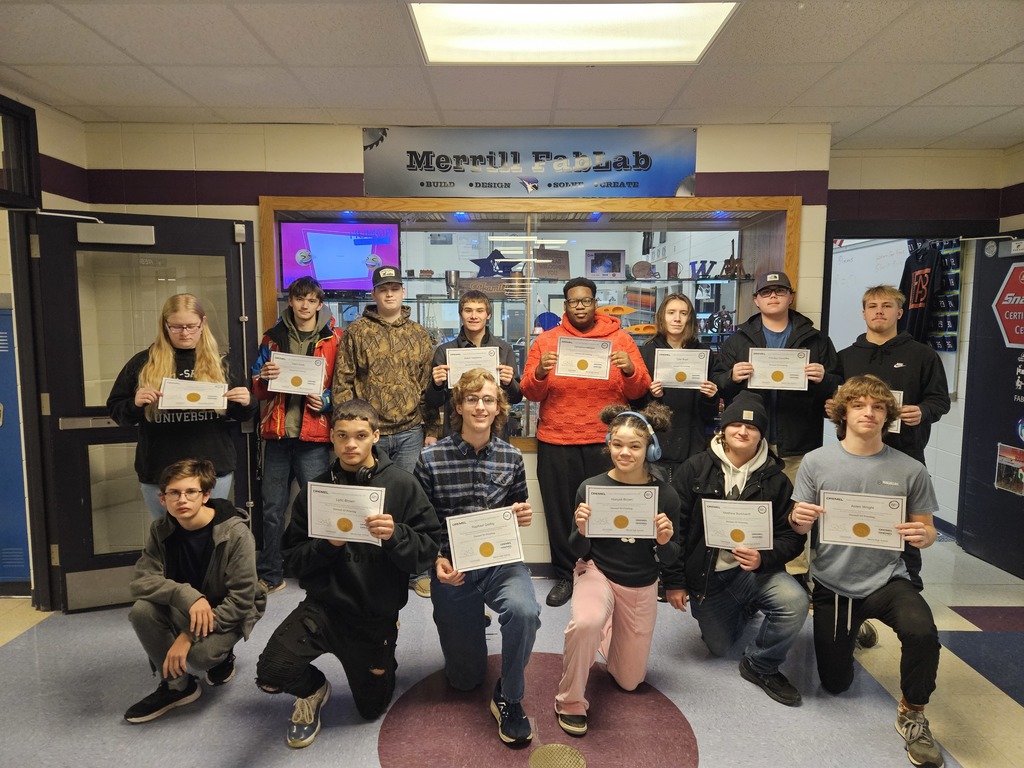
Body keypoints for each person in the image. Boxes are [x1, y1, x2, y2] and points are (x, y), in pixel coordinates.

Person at [255, 399, 441, 749]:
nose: (350, 444)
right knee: (270, 673)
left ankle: (383, 655)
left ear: (376, 436)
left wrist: (395, 535)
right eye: (342, 436)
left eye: (359, 435)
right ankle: (313, 690)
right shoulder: (317, 490)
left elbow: (428, 550)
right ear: (332, 438)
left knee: (370, 709)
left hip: (374, 616)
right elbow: (292, 561)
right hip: (324, 608)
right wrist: (328, 544)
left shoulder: (402, 485)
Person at [790, 375, 944, 768]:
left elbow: (926, 528)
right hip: (833, 581)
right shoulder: (816, 461)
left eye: (877, 407)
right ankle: (855, 626)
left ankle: (914, 714)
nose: (869, 413)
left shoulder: (910, 469)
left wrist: (924, 535)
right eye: (859, 405)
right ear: (844, 412)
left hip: (888, 578)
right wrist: (799, 519)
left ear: (887, 416)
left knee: (922, 632)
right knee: (836, 685)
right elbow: (797, 524)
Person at [415, 368, 540, 748]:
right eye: (472, 399)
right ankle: (470, 627)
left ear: (499, 406)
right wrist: (435, 561)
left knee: (524, 611)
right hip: (453, 566)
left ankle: (510, 697)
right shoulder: (430, 459)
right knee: (464, 679)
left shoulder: (511, 457)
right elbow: (423, 524)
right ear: (459, 406)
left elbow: (519, 505)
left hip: (501, 564)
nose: (480, 406)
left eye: (488, 399)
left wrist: (522, 514)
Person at [663, 392, 808, 707]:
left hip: (755, 572)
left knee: (795, 601)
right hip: (708, 577)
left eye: (752, 428)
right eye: (736, 424)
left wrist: (763, 558)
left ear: (761, 435)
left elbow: (792, 538)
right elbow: (676, 530)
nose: (743, 431)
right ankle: (743, 608)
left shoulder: (777, 481)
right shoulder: (695, 469)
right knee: (719, 647)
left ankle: (760, 664)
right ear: (723, 429)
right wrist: (673, 582)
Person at [521, 277, 651, 607]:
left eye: (586, 301)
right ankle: (567, 575)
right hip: (557, 438)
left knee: (604, 510)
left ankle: (604, 574)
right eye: (574, 302)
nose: (580, 306)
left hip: (605, 441)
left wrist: (629, 370)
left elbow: (640, 391)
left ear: (596, 303)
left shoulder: (621, 339)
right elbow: (529, 392)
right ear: (565, 306)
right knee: (561, 512)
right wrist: (538, 372)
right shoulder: (548, 341)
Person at [554, 404, 680, 738]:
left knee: (629, 681)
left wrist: (665, 541)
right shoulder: (591, 488)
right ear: (608, 444)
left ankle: (606, 628)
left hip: (640, 583)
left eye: (635, 446)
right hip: (597, 571)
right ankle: (569, 701)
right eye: (618, 444)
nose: (625, 452)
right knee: (586, 621)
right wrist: (581, 530)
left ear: (649, 449)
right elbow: (578, 551)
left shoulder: (665, 495)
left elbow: (670, 559)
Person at [837, 285, 951, 646]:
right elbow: (836, 405)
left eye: (887, 306)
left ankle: (907, 605)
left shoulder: (922, 355)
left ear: (900, 312)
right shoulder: (846, 357)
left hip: (905, 459)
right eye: (872, 306)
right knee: (851, 531)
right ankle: (852, 612)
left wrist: (925, 411)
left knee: (905, 536)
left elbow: (940, 400)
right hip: (854, 461)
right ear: (863, 312)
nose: (879, 312)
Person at [124, 458, 266, 723]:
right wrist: (189, 597)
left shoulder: (235, 534)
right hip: (189, 606)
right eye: (174, 493)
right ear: (162, 498)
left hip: (230, 609)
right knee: (141, 611)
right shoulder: (161, 529)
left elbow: (242, 600)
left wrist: (187, 637)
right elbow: (142, 580)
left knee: (200, 657)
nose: (182, 499)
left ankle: (222, 656)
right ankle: (178, 687)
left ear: (206, 495)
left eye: (191, 492)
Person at [333, 265, 438, 598]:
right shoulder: (357, 331)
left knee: (407, 501)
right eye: (383, 289)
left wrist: (431, 428)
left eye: (395, 288)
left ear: (403, 292)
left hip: (410, 430)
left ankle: (414, 571)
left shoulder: (420, 334)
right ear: (374, 294)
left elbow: (428, 386)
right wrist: (349, 430)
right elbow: (343, 380)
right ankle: (370, 568)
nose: (389, 293)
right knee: (365, 501)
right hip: (368, 436)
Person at [107, 294, 257, 518]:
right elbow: (117, 411)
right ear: (165, 325)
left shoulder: (222, 362)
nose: (184, 333)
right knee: (167, 541)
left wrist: (248, 401)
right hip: (160, 470)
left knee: (208, 540)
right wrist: (135, 403)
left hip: (212, 469)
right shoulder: (143, 362)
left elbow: (242, 414)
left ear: (203, 323)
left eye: (191, 326)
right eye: (176, 327)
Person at [251, 277, 343, 595]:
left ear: (319, 304)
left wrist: (327, 400)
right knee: (273, 509)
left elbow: (342, 385)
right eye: (298, 298)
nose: (304, 305)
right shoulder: (272, 338)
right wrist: (263, 378)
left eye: (311, 300)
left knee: (319, 507)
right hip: (276, 434)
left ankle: (320, 570)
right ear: (290, 301)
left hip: (313, 436)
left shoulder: (335, 339)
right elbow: (257, 386)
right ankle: (271, 573)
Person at [711, 271, 842, 486]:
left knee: (796, 509)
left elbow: (840, 387)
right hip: (749, 442)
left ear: (791, 297)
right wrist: (731, 377)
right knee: (752, 506)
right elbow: (716, 385)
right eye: (766, 292)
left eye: (780, 291)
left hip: (799, 443)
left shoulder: (816, 340)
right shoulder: (737, 341)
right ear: (756, 300)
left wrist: (824, 378)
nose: (773, 296)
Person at [635, 292, 718, 482]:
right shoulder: (646, 352)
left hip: (692, 441)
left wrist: (711, 396)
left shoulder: (703, 353)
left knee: (685, 503)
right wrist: (652, 395)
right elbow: (636, 404)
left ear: (690, 318)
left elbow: (709, 414)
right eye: (671, 312)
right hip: (656, 444)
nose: (677, 318)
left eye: (683, 313)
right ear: (662, 317)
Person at [424, 290, 522, 441]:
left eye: (480, 311)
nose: (474, 316)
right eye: (468, 310)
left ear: (488, 315)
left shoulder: (504, 349)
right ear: (460, 314)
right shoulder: (445, 352)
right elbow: (433, 402)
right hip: (456, 434)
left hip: (495, 435)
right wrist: (436, 385)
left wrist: (510, 383)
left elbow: (516, 398)